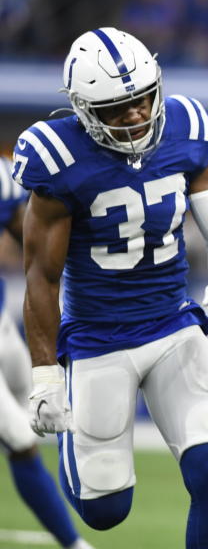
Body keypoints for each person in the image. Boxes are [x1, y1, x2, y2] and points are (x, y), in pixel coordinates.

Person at [12, 27, 208, 549]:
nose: (137, 116)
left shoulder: (187, 127)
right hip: (99, 339)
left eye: (142, 99)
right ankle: (81, 458)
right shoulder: (59, 158)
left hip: (173, 326)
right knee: (104, 511)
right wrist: (46, 379)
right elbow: (41, 276)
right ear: (82, 109)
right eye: (116, 109)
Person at [0, 157, 93, 549]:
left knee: (39, 416)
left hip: (3, 332)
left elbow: (30, 231)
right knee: (20, 440)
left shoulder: (3, 177)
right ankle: (74, 544)